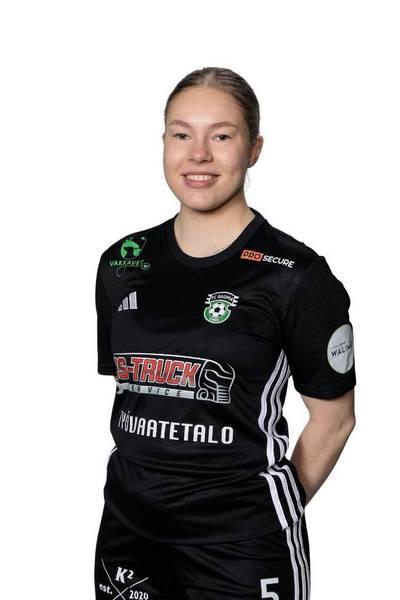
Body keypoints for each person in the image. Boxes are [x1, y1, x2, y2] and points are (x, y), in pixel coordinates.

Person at [94, 67, 356, 600]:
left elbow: (335, 419)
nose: (198, 154)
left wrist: (260, 515)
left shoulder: (297, 276)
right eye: (181, 134)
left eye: (221, 136)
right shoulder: (121, 262)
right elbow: (131, 391)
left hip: (241, 546)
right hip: (129, 533)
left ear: (253, 149)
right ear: (164, 143)